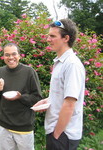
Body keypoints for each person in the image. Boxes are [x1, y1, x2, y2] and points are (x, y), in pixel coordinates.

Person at [33, 19, 85, 150]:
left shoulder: (72, 64)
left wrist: (56, 134)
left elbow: (69, 104)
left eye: (52, 36)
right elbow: (62, 96)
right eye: (48, 35)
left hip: (63, 134)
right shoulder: (60, 62)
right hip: (56, 131)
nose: (48, 39)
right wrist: (46, 101)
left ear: (66, 38)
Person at [0, 43, 42, 150]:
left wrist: (20, 97)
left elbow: (37, 98)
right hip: (4, 126)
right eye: (7, 55)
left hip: (24, 127)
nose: (10, 58)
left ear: (19, 55)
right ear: (3, 57)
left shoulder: (29, 72)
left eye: (14, 54)